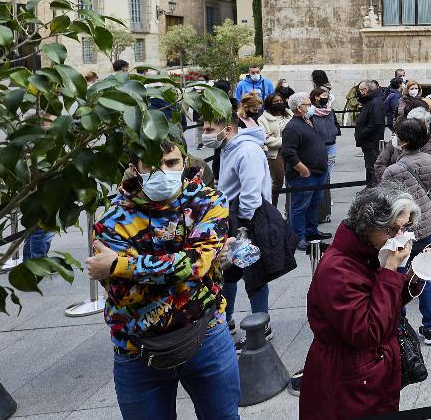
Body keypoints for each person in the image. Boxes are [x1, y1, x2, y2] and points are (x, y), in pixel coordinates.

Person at [88, 139, 238, 420]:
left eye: (171, 163)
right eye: (151, 166)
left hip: (207, 333)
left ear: (184, 162)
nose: (163, 172)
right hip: (136, 349)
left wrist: (120, 264)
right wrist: (188, 263)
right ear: (135, 168)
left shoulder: (208, 200)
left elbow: (196, 264)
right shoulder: (111, 219)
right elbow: (124, 293)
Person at [300, 185, 425, 420]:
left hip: (372, 372)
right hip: (348, 379)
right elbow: (368, 332)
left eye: (405, 228)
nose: (400, 236)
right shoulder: (338, 270)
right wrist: (389, 269)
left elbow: (381, 305)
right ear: (369, 225)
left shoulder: (370, 251)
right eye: (393, 229)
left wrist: (411, 279)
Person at [201, 110, 273, 344]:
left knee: (254, 275)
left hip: (245, 222)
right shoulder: (228, 148)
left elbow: (251, 193)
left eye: (209, 129)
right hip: (231, 218)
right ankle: (226, 318)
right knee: (228, 272)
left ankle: (260, 325)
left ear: (228, 129)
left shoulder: (246, 150)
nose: (205, 134)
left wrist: (243, 226)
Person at [379, 119, 431, 345]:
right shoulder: (429, 159)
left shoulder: (394, 169)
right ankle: (430, 325)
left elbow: (385, 196)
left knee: (396, 275)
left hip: (404, 226)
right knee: (423, 274)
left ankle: (400, 324)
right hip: (425, 220)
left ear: (402, 141)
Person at [282, 92, 332, 249]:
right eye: (308, 105)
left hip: (318, 172)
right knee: (300, 206)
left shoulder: (308, 121)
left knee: (313, 204)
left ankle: (311, 231)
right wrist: (303, 170)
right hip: (304, 175)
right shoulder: (292, 127)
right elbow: (288, 152)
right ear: (299, 108)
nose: (311, 107)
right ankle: (298, 237)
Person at [309, 87, 341, 224]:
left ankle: (325, 199)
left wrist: (335, 131)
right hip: (319, 145)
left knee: (328, 172)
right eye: (323, 94)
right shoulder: (311, 111)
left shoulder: (329, 109)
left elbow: (334, 123)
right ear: (316, 97)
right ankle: (321, 199)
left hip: (331, 143)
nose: (326, 96)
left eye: (327, 94)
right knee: (322, 174)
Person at [258, 93, 291, 205]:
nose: (279, 103)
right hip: (276, 154)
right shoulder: (263, 119)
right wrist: (288, 140)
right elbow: (267, 140)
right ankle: (273, 210)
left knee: (292, 182)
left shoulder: (289, 114)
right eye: (275, 102)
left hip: (292, 151)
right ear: (269, 104)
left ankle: (290, 210)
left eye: (280, 100)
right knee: (278, 182)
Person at [354, 80, 386, 187]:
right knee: (369, 165)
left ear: (366, 90)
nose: (360, 92)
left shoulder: (375, 102)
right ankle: (370, 186)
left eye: (361, 90)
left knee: (373, 166)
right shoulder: (370, 101)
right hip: (368, 141)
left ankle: (374, 189)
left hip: (371, 141)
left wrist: (362, 133)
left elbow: (375, 124)